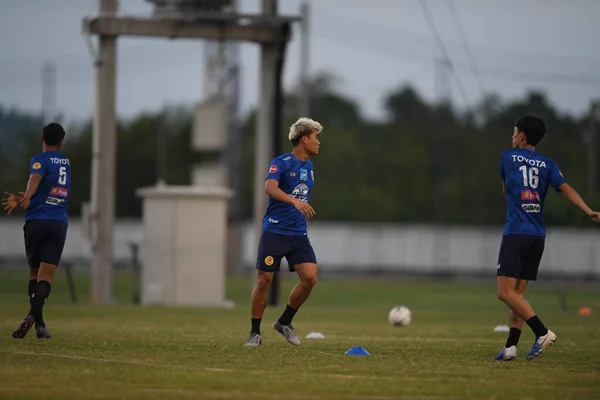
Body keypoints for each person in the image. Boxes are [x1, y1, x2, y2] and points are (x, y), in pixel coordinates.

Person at [495, 114, 599, 361]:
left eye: (514, 131)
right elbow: (566, 190)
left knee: (504, 292)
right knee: (518, 295)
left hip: (516, 232)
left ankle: (542, 332)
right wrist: (589, 211)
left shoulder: (507, 156)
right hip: (537, 235)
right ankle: (511, 346)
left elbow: (505, 191)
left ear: (521, 135)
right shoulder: (548, 164)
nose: (512, 136)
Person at [245, 117, 322, 347]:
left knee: (310, 278)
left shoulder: (310, 167)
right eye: (316, 137)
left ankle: (284, 322)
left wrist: (298, 206)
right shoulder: (282, 162)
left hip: (298, 234)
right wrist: (294, 202)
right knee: (264, 281)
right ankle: (254, 333)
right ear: (304, 138)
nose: (319, 143)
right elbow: (269, 187)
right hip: (275, 230)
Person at [2, 122, 71, 339]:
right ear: (61, 141)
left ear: (42, 137)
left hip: (36, 221)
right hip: (58, 222)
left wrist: (27, 196)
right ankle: (39, 325)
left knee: (34, 273)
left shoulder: (39, 159)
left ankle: (33, 316)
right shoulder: (66, 163)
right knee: (47, 276)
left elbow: (35, 178)